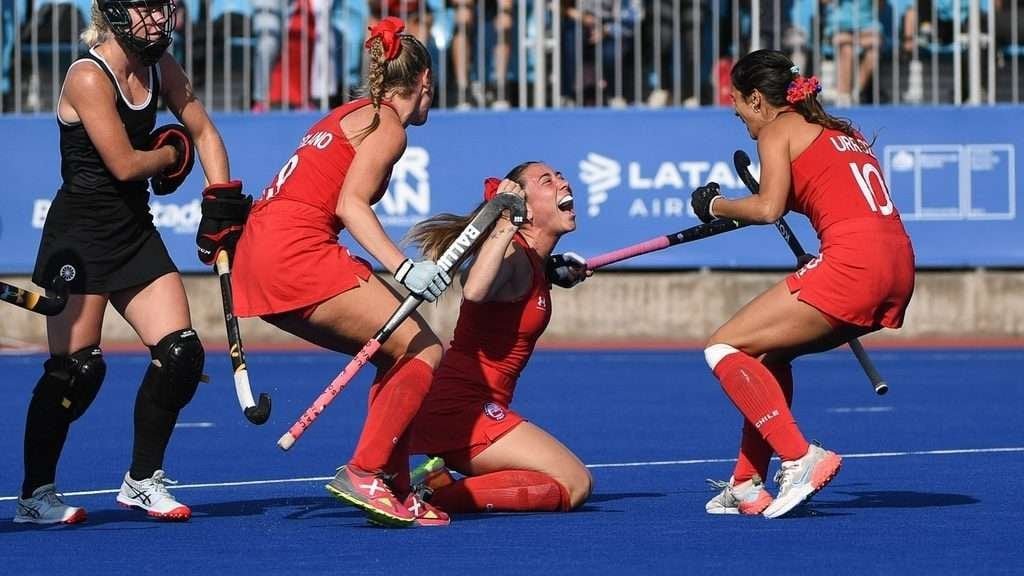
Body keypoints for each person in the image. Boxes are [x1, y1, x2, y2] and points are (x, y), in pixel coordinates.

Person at [17, 0, 233, 524]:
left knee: (182, 355)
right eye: (146, 8)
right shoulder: (89, 77)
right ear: (115, 12)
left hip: (134, 232)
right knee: (76, 372)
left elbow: (202, 129)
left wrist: (221, 200)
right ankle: (35, 495)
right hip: (81, 236)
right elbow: (125, 163)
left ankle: (142, 481)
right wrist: (170, 154)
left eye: (165, 8)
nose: (158, 19)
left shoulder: (163, 67)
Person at [230, 17, 450, 527]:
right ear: (423, 83)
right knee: (426, 347)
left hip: (262, 254)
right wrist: (403, 268)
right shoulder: (388, 126)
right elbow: (352, 205)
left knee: (401, 350)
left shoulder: (350, 113)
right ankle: (367, 470)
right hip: (295, 255)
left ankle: (390, 486)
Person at [690, 49, 915, 519]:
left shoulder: (776, 130)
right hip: (896, 263)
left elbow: (768, 208)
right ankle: (746, 483)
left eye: (739, 109)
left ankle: (799, 456)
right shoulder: (841, 132)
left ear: (757, 99)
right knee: (770, 356)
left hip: (853, 265)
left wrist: (716, 205)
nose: (742, 121)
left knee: (723, 347)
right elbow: (818, 195)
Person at [402, 164, 593, 515]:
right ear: (526, 208)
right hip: (460, 409)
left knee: (562, 481)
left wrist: (551, 271)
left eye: (560, 176)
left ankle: (438, 485)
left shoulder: (530, 259)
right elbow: (475, 290)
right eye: (546, 181)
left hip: (475, 407)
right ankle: (425, 494)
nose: (563, 182)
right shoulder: (512, 252)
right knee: (574, 483)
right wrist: (507, 218)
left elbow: (516, 292)